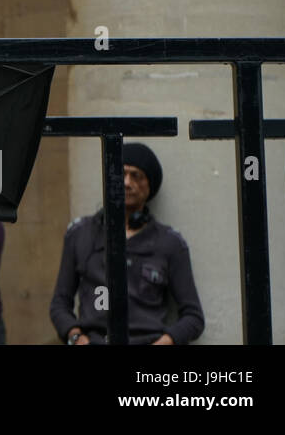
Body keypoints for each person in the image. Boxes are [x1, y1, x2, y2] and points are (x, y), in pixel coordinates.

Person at [49, 142, 204, 345]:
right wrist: (77, 337)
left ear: (150, 185)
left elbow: (193, 317)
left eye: (136, 176)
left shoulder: (169, 243)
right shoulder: (81, 234)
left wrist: (164, 343)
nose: (127, 183)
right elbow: (59, 304)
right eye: (121, 174)